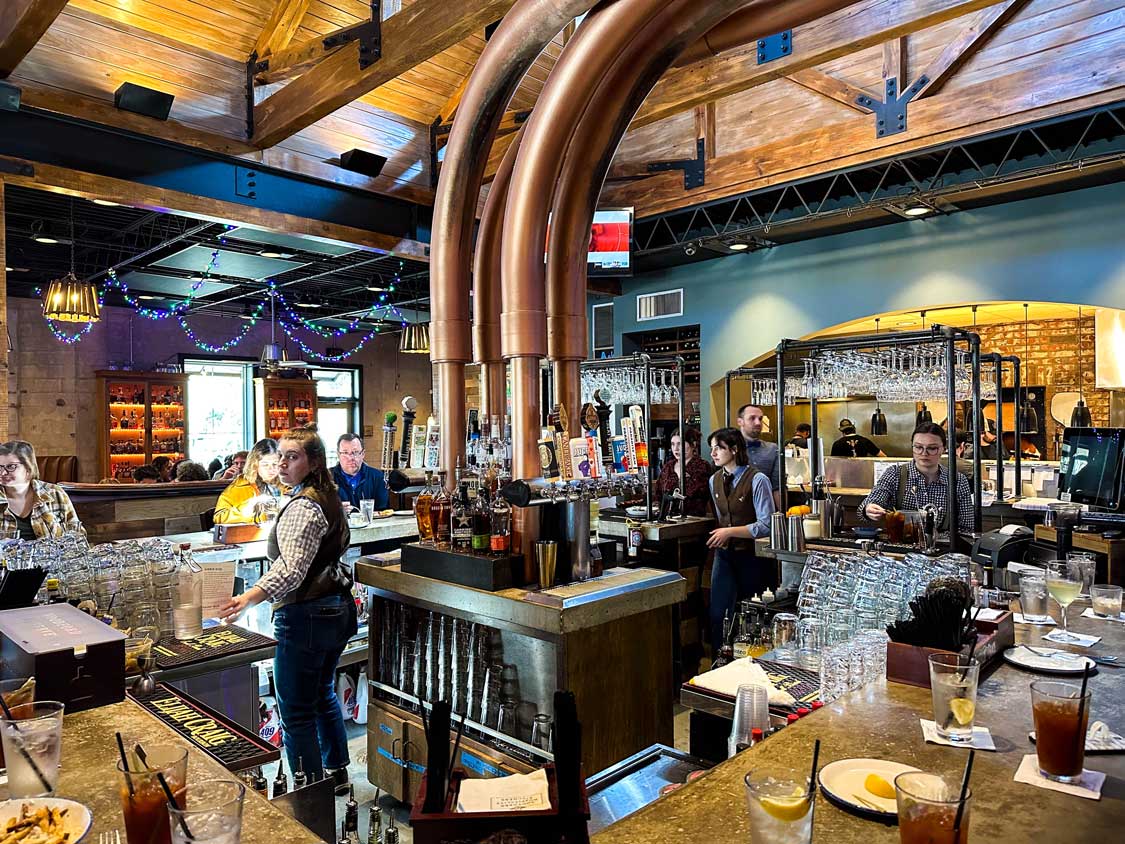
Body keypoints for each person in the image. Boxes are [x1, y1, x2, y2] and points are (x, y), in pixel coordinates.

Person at [217, 428, 355, 793]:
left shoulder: (304, 505)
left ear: (312, 462)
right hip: (336, 610)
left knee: (295, 710)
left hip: (307, 615)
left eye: (292, 456)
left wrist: (249, 597)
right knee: (322, 691)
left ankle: (310, 795)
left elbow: (291, 569)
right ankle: (337, 773)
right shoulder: (326, 495)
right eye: (280, 455)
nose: (282, 462)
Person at [704, 427, 775, 653]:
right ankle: (719, 663)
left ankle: (750, 663)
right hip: (724, 554)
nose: (713, 453)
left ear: (734, 449)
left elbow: (767, 524)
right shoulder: (714, 480)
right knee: (718, 613)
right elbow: (722, 516)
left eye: (719, 448)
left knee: (749, 613)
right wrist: (725, 533)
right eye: (712, 448)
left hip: (752, 556)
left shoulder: (757, 479)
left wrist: (730, 532)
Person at [861, 422, 974, 536]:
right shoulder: (895, 474)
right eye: (919, 447)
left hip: (941, 548)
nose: (924, 453)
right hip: (901, 546)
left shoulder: (958, 481)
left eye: (932, 448)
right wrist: (869, 509)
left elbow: (967, 528)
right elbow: (872, 501)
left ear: (943, 449)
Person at [0, 440, 85, 540]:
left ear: (28, 467)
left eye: (11, 467)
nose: (3, 473)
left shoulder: (54, 493)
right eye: (0, 467)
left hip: (50, 555)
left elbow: (78, 538)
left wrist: (47, 516)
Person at [214, 439, 284, 524]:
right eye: (265, 465)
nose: (271, 469)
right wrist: (248, 508)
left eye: (275, 464)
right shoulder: (240, 485)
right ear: (254, 465)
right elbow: (219, 517)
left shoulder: (288, 485)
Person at [655, 427, 712, 517]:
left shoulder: (702, 466)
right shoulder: (668, 466)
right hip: (668, 519)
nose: (676, 448)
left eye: (680, 444)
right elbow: (659, 493)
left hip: (693, 519)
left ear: (693, 444)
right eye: (673, 444)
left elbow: (700, 494)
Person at [735, 403, 780, 506]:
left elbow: (777, 486)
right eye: (752, 418)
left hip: (765, 509)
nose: (758, 423)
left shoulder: (772, 449)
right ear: (740, 421)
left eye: (760, 419)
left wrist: (782, 515)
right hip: (737, 511)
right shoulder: (730, 448)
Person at [331, 434, 388, 512]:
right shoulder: (326, 478)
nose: (351, 458)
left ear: (363, 454)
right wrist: (335, 511)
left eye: (355, 452)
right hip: (340, 523)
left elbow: (383, 510)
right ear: (338, 455)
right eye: (345, 453)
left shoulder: (378, 477)